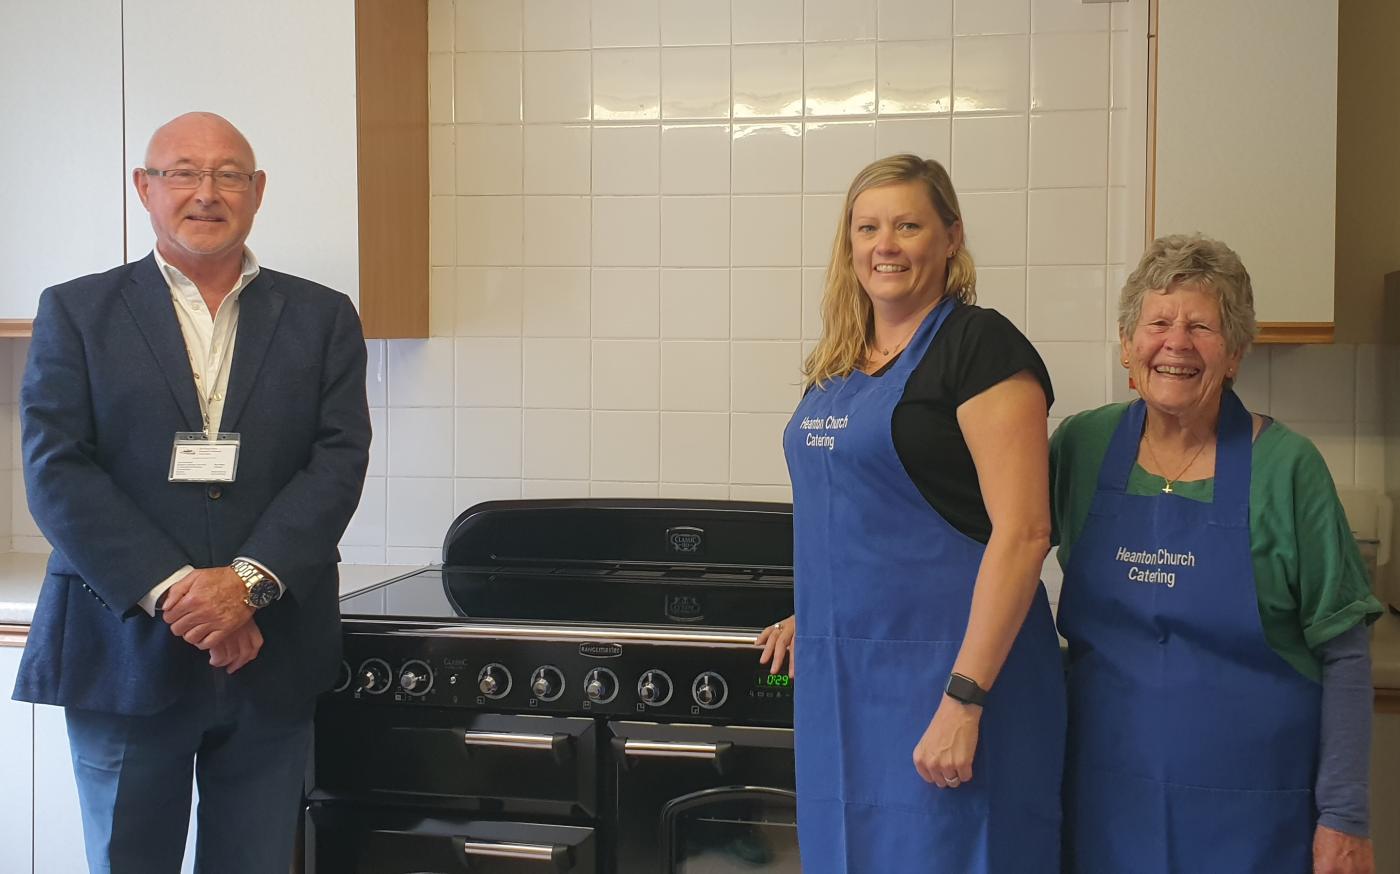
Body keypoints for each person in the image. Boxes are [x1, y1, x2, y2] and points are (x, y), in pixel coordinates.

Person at [12, 111, 371, 873]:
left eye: (228, 174)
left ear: (258, 191)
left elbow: (338, 461)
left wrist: (246, 585)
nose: (205, 193)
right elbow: (56, 466)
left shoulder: (322, 316)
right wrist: (187, 594)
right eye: (182, 172)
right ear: (145, 188)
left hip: (270, 654)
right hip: (124, 652)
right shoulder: (77, 312)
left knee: (257, 860)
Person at [756, 154, 1066, 871]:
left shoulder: (981, 347)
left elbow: (1024, 534)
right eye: (868, 227)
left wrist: (965, 700)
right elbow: (860, 515)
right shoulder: (837, 361)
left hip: (957, 687)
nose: (884, 245)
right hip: (850, 690)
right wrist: (826, 609)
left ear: (951, 238)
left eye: (907, 225)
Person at [1052, 234, 1382, 874]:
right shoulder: (1080, 446)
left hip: (1256, 820)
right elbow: (987, 547)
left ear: (1234, 354)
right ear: (1127, 345)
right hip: (1103, 805)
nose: (1176, 343)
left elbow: (1344, 651)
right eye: (1158, 323)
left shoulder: (1288, 468)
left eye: (1201, 325)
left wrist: (1345, 817)